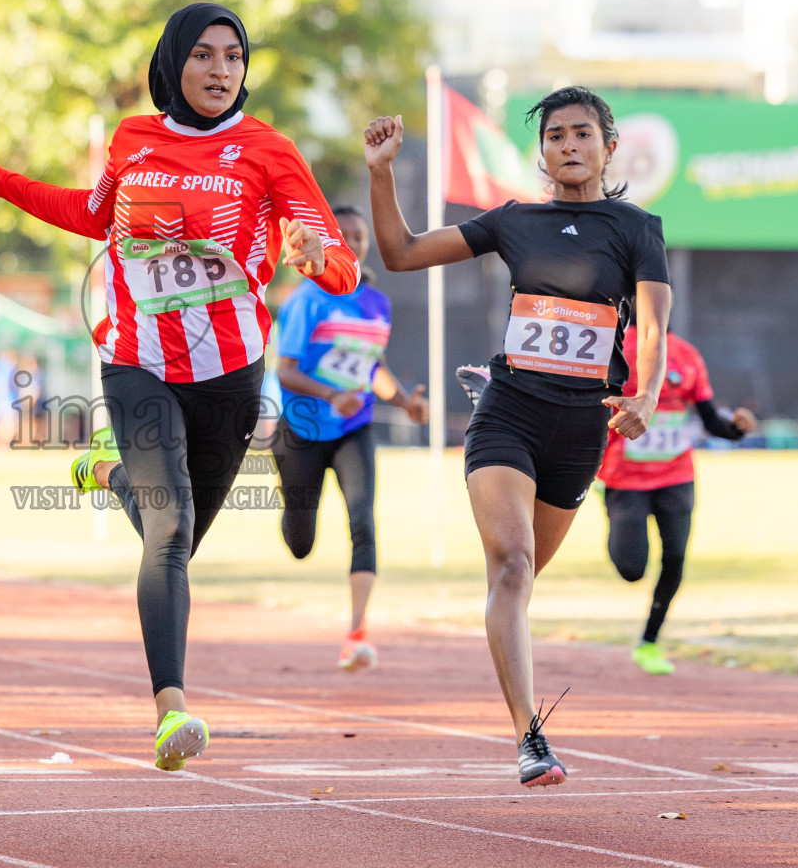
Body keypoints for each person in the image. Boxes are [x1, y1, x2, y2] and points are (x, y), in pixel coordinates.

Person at [0, 2, 358, 771]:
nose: (220, 70)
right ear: (173, 63)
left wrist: (312, 257)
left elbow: (339, 260)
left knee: (175, 537)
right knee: (169, 532)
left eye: (234, 56)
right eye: (204, 55)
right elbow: (92, 214)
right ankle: (171, 711)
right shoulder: (135, 140)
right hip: (137, 360)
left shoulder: (268, 150)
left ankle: (106, 473)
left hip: (230, 376)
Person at [365, 86, 671, 787]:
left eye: (583, 134)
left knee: (524, 578)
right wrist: (382, 173)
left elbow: (652, 326)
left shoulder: (635, 228)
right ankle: (528, 735)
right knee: (509, 564)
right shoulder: (515, 221)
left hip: (580, 426)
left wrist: (646, 392)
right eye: (556, 135)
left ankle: (520, 698)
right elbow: (402, 252)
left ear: (608, 146)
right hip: (511, 411)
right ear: (542, 151)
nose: (569, 145)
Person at [271, 206, 427, 671]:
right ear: (330, 242)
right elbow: (284, 370)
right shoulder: (306, 300)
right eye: (347, 236)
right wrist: (328, 393)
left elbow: (370, 366)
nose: (357, 243)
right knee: (301, 543)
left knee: (363, 520)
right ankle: (292, 510)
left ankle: (356, 633)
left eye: (361, 236)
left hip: (353, 427)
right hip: (301, 430)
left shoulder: (377, 303)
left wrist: (403, 402)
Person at [597, 327, 755, 674]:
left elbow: (710, 419)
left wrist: (736, 429)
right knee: (631, 570)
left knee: (675, 559)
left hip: (676, 477)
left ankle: (649, 642)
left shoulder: (686, 354)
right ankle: (605, 502)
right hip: (625, 479)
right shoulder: (616, 348)